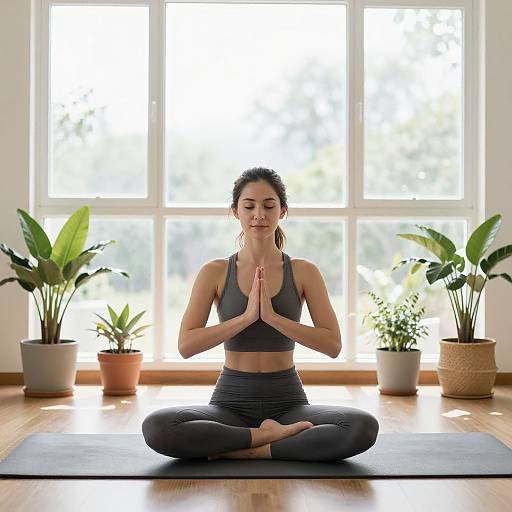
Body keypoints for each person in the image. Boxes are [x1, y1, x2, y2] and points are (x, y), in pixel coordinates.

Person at [142, 167, 379, 461]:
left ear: (283, 212)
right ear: (235, 212)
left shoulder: (304, 271)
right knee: (157, 427)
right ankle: (266, 439)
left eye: (269, 206)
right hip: (230, 403)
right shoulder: (214, 272)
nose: (259, 215)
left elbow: (332, 345)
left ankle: (248, 450)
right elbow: (186, 346)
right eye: (249, 206)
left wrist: (273, 318)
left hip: (288, 403)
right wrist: (245, 318)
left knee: (362, 427)